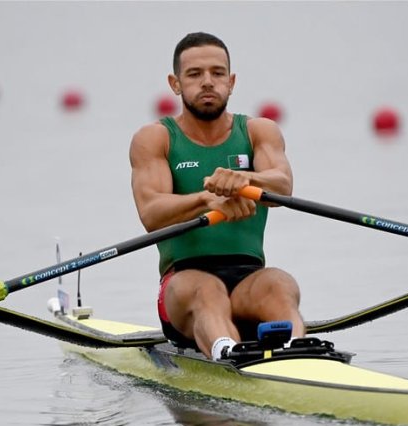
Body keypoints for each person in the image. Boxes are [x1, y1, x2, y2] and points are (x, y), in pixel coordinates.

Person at [129, 31, 305, 361]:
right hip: (183, 283)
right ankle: (226, 352)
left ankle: (298, 346)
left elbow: (282, 187)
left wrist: (245, 180)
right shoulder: (156, 138)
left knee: (280, 283)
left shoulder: (258, 131)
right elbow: (151, 212)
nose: (207, 82)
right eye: (195, 74)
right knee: (205, 291)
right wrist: (206, 200)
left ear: (232, 81)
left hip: (248, 281)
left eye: (217, 73)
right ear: (175, 83)